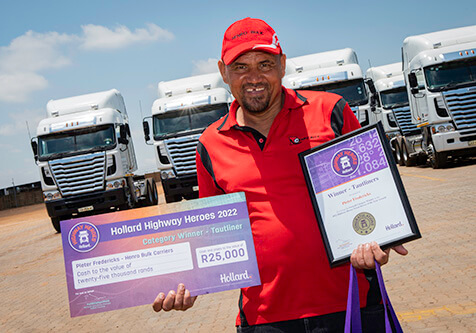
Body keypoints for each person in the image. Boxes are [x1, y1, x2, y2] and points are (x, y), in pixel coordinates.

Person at [153, 17, 408, 332]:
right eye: (241, 67)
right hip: (266, 320)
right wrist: (186, 281)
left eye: (265, 64)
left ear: (283, 64)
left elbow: (372, 195)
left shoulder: (331, 112)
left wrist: (381, 235)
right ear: (223, 72)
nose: (254, 77)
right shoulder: (210, 144)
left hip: (350, 304)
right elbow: (212, 237)